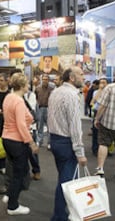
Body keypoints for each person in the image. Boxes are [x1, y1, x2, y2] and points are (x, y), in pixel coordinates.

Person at [48, 66, 87, 221]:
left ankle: (64, 213)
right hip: (66, 143)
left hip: (55, 140)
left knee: (64, 179)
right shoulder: (71, 95)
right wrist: (80, 152)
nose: (84, 77)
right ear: (72, 77)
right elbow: (75, 126)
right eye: (81, 74)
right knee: (66, 183)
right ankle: (58, 217)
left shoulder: (55, 92)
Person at [1, 72, 38, 215]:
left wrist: (27, 118)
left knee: (16, 172)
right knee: (19, 174)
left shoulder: (9, 97)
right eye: (27, 84)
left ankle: (10, 195)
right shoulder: (19, 101)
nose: (29, 86)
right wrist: (31, 143)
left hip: (6, 139)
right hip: (17, 141)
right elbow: (22, 124)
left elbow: (26, 117)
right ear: (22, 86)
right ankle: (13, 206)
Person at [90, 78, 108, 156]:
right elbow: (93, 101)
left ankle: (106, 150)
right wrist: (100, 90)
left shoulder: (109, 92)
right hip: (97, 112)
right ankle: (95, 149)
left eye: (104, 82)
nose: (102, 84)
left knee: (106, 132)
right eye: (101, 82)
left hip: (107, 113)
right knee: (96, 132)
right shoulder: (96, 92)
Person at [34, 74, 53, 148]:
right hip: (40, 108)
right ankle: (39, 141)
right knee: (40, 126)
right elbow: (35, 97)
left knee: (50, 126)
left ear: (48, 80)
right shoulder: (37, 89)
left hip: (49, 108)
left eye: (46, 79)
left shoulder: (51, 89)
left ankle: (49, 143)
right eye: (44, 79)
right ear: (42, 80)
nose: (45, 81)